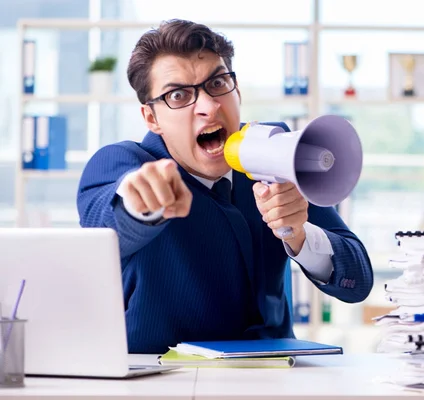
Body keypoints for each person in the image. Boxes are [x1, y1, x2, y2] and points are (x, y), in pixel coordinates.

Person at [77, 19, 373, 354]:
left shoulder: (272, 151)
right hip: (161, 375)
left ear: (237, 91)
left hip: (273, 373)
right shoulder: (122, 163)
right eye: (178, 95)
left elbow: (358, 282)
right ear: (151, 118)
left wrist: (301, 235)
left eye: (218, 82)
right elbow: (104, 229)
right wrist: (140, 204)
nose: (209, 106)